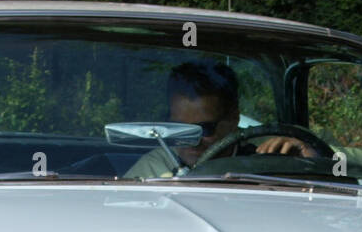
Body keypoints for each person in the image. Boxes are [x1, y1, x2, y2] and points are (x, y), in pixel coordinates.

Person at [124, 60, 317, 179]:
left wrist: (310, 159)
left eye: (204, 128)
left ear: (234, 119)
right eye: (179, 129)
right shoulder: (152, 168)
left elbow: (331, 184)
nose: (192, 141)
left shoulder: (267, 158)